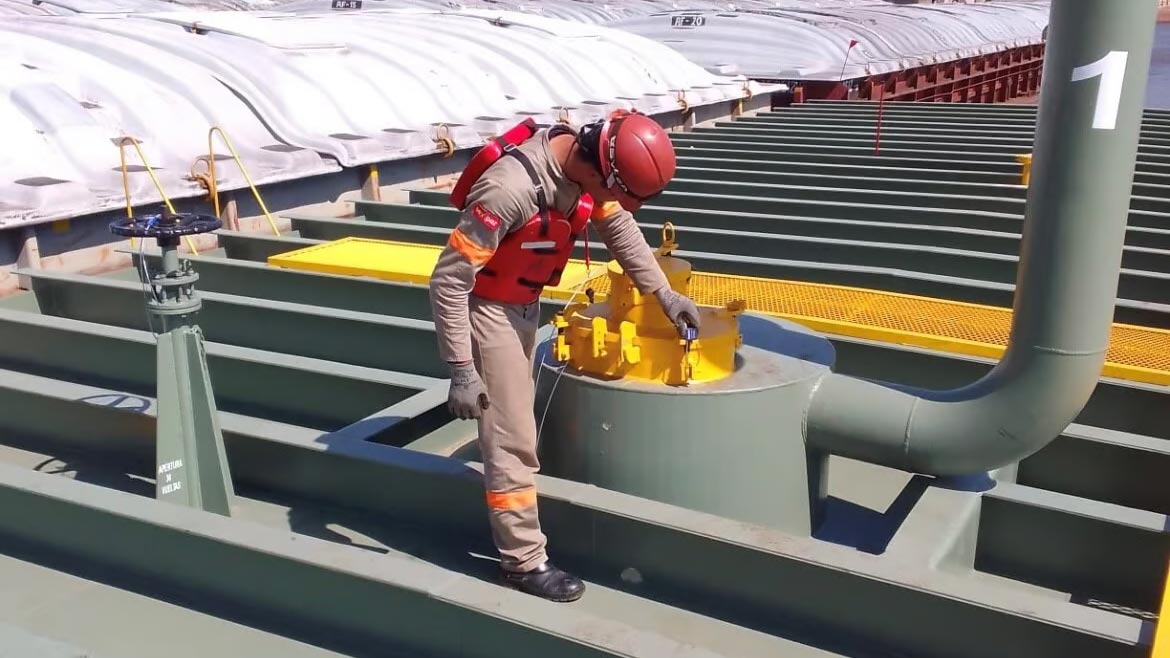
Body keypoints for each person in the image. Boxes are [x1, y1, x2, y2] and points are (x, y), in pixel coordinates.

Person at [428, 110, 701, 603]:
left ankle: (519, 525)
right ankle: (523, 561)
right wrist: (461, 368)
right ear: (598, 170)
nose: (613, 203)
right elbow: (448, 279)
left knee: (516, 429)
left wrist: (664, 295)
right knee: (512, 438)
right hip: (489, 310)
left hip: (526, 304)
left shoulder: (588, 164)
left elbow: (621, 232)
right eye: (613, 191)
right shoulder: (510, 189)